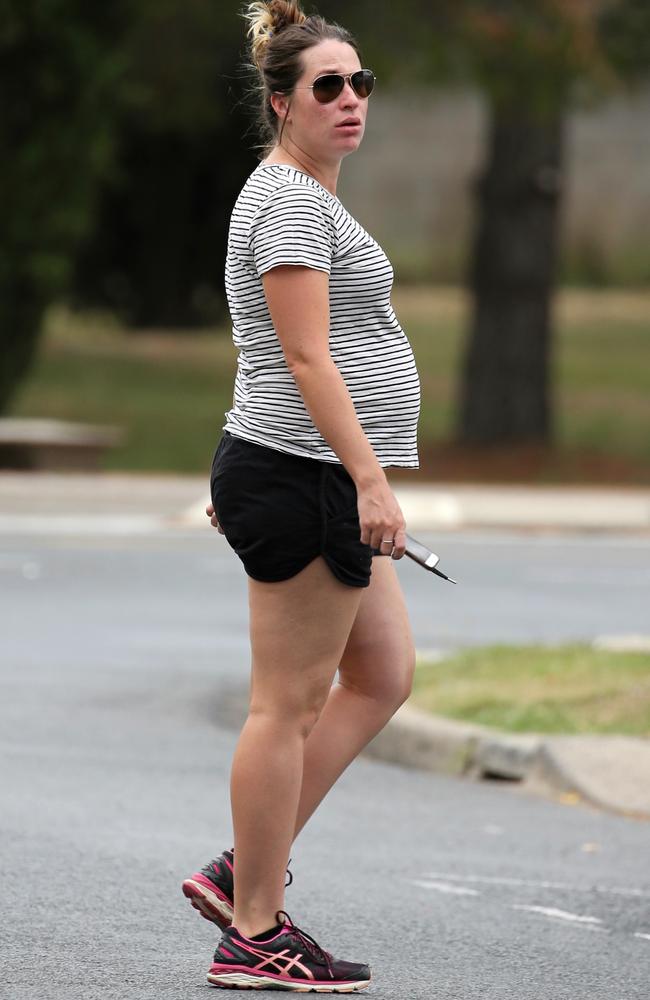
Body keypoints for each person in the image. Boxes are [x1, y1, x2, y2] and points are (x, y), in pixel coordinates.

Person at [182, 0, 420, 991]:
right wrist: (367, 476)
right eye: (328, 86)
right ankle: (252, 930)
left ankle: (249, 862)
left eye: (360, 82)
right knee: (284, 705)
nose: (349, 100)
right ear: (282, 102)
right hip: (306, 476)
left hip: (299, 472)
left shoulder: (311, 197)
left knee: (383, 673)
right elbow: (302, 353)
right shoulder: (286, 200)